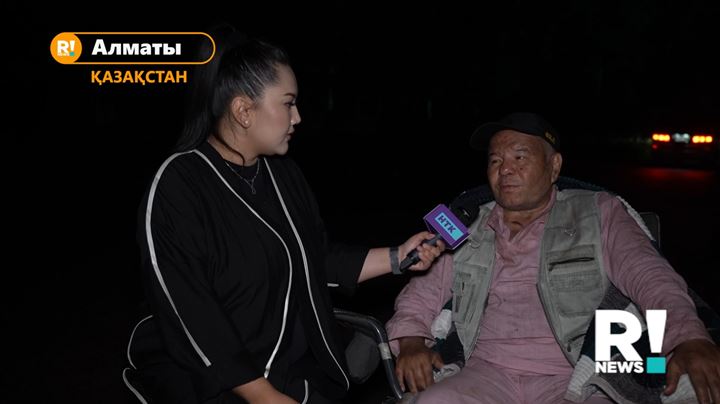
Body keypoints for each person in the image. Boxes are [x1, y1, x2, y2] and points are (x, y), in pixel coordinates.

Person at [124, 25, 445, 404]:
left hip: (289, 375)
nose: (298, 118)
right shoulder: (179, 184)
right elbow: (189, 310)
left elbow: (315, 260)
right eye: (288, 103)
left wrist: (398, 256)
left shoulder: (283, 175)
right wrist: (263, 395)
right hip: (213, 384)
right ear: (244, 110)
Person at [386, 112, 720, 403]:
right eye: (495, 160)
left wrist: (688, 337)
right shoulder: (465, 225)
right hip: (484, 373)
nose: (505, 170)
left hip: (576, 379)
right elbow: (421, 295)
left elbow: (651, 278)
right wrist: (411, 342)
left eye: (520, 157)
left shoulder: (598, 213)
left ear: (554, 166)